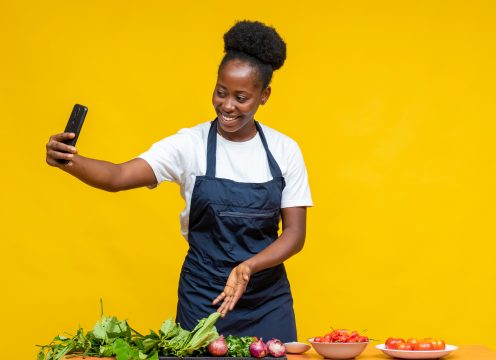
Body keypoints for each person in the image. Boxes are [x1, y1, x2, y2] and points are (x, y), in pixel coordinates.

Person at [45, 20, 312, 342]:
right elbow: (118, 176)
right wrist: (69, 160)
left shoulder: (285, 150)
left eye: (241, 98)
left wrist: (248, 267)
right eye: (221, 92)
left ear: (264, 95)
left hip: (267, 302)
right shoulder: (190, 145)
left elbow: (295, 235)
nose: (227, 105)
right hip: (203, 295)